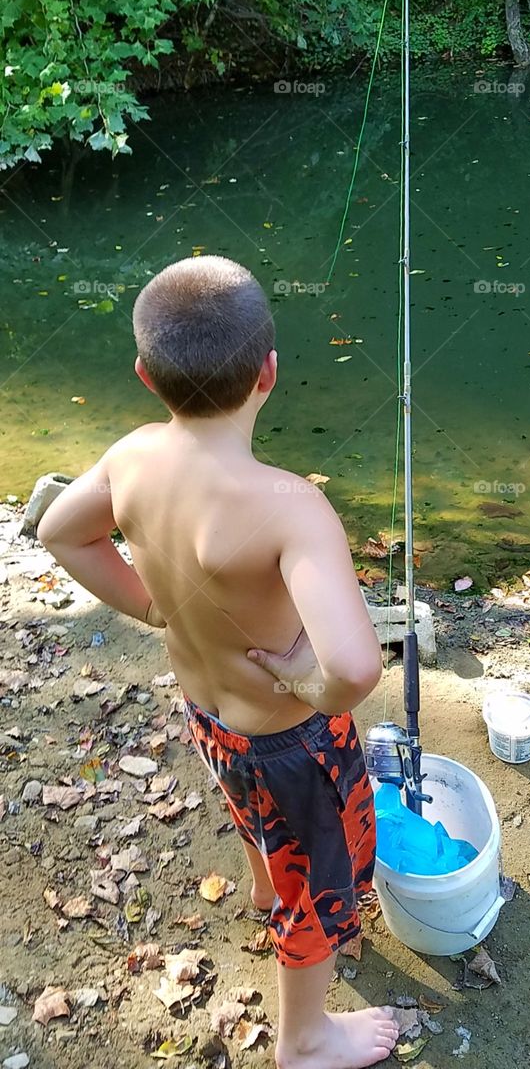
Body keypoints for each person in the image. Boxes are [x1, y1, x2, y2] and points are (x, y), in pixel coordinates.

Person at [38, 255, 399, 1069]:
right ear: (268, 371)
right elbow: (352, 671)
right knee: (316, 892)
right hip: (291, 744)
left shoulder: (132, 457)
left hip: (209, 717)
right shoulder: (292, 506)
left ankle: (264, 886)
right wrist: (303, 678)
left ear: (145, 375)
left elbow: (60, 530)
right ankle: (304, 1039)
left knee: (255, 818)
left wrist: (151, 608)